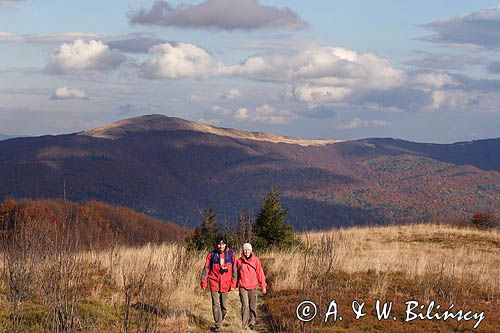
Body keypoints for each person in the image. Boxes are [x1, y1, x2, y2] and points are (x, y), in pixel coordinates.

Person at [201, 238, 237, 332]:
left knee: (224, 307)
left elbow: (234, 271)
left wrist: (233, 284)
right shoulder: (211, 255)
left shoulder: (231, 254)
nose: (220, 246)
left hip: (225, 283)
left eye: (222, 244)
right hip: (214, 282)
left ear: (226, 245)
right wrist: (204, 281)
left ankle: (219, 320)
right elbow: (206, 269)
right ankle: (217, 325)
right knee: (215, 304)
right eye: (219, 244)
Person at [236, 243, 267, 330]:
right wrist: (233, 284)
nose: (246, 252)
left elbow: (260, 273)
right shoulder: (239, 261)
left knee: (252, 305)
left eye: (248, 249)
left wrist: (263, 285)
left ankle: (252, 321)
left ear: (251, 250)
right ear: (243, 250)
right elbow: (236, 274)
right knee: (245, 305)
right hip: (243, 286)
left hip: (253, 286)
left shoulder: (256, 260)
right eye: (245, 250)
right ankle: (244, 325)